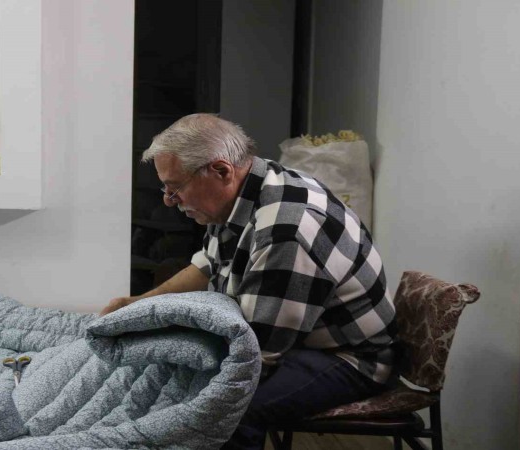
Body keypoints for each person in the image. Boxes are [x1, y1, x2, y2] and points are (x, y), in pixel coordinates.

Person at [100, 113, 397, 450]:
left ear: (221, 171)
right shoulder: (244, 191)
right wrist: (137, 304)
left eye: (176, 186)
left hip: (349, 358)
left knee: (224, 409)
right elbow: (207, 265)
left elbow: (259, 353)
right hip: (295, 338)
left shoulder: (286, 230)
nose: (169, 200)